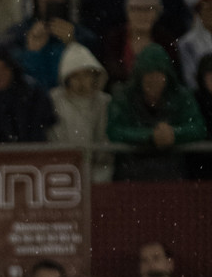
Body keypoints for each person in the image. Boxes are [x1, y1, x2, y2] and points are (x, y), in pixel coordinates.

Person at [107, 43, 206, 180]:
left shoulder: (181, 96)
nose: (154, 80)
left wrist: (174, 134)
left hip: (172, 176)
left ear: (167, 76)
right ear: (140, 76)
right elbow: (114, 130)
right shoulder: (123, 96)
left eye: (158, 75)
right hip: (130, 176)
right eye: (149, 75)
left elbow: (198, 127)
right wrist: (149, 136)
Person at [48, 42, 111, 180]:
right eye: (76, 76)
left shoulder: (104, 103)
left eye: (86, 75)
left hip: (97, 172)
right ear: (67, 78)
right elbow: (53, 137)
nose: (81, 81)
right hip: (62, 170)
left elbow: (104, 140)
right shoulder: (55, 101)